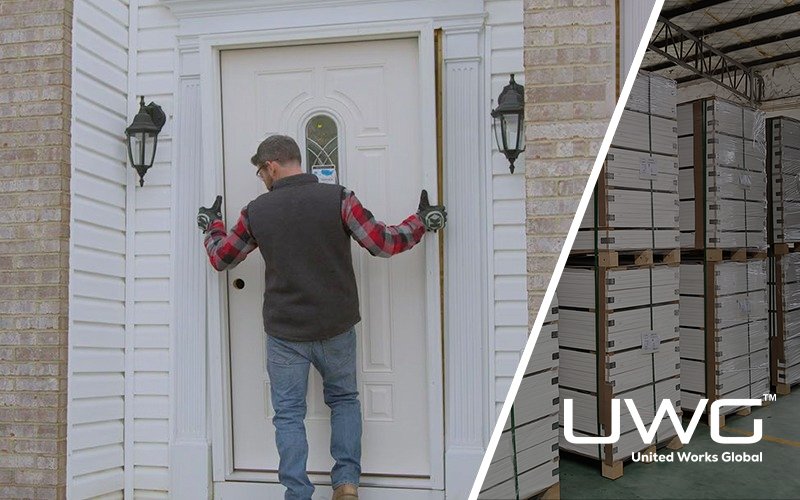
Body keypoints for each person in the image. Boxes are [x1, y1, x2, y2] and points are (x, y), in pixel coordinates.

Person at [196, 135, 446, 500]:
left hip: (285, 333)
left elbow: (222, 257)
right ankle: (346, 486)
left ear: (271, 166)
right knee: (344, 401)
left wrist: (211, 225)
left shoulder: (256, 211)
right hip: (336, 326)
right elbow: (383, 243)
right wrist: (422, 221)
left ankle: (298, 493)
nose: (262, 179)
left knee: (288, 415)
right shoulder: (339, 199)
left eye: (260, 172)